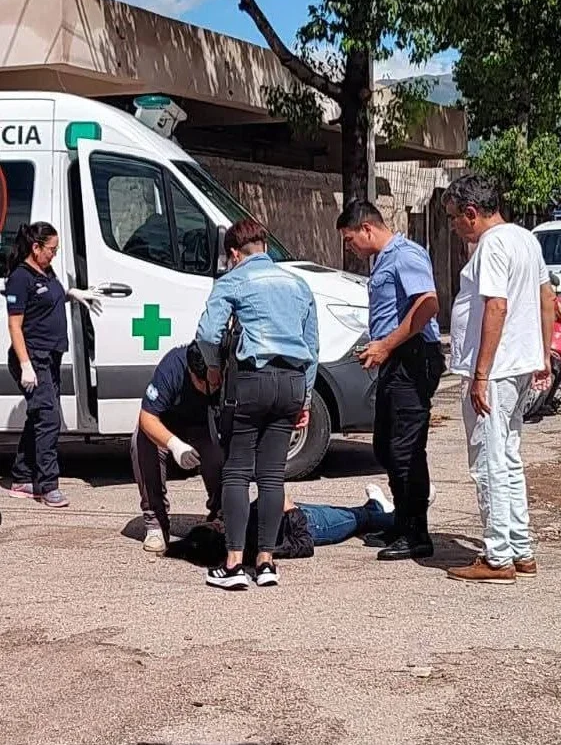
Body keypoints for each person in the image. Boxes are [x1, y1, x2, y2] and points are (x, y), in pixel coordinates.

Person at [442, 174, 555, 585]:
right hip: (521, 362)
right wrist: (543, 353)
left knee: (488, 461)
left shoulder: (491, 245)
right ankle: (520, 547)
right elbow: (547, 296)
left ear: (472, 213)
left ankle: (497, 555)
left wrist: (481, 374)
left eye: (455, 218)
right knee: (508, 456)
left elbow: (496, 307)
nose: (454, 226)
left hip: (498, 368)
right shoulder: (526, 238)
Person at [195, 218, 318, 590]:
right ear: (264, 247)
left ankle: (233, 564)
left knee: (236, 471)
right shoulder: (299, 284)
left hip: (253, 380)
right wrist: (306, 397)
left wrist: (214, 368)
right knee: (272, 475)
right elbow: (312, 348)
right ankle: (266, 562)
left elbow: (206, 332)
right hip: (292, 383)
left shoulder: (234, 280)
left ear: (234, 253)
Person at [336, 200, 444, 561]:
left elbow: (428, 304)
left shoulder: (406, 254)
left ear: (367, 228)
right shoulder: (383, 260)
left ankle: (417, 533)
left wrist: (387, 345)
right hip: (395, 359)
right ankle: (401, 520)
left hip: (413, 359)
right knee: (385, 445)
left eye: (351, 239)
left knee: (405, 450)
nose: (350, 247)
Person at [4, 222, 102, 507]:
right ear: (35, 248)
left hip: (50, 356)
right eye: (51, 249)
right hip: (32, 357)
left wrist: (73, 294)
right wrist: (25, 365)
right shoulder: (20, 278)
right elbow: (14, 325)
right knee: (49, 419)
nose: (54, 255)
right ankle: (48, 485)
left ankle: (22, 477)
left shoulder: (45, 271)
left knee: (39, 417)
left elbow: (50, 296)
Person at [168, 483, 429, 567]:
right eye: (216, 529)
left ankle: (383, 509)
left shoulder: (232, 529)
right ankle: (408, 514)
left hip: (293, 509)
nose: (218, 524)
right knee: (358, 520)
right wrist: (291, 510)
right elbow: (303, 546)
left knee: (355, 514)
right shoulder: (256, 546)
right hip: (312, 525)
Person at [131, 341, 223, 553]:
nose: (211, 386)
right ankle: (155, 522)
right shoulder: (173, 366)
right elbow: (147, 417)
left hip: (206, 427)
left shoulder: (224, 367)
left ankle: (221, 515)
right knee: (141, 441)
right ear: (191, 371)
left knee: (224, 447)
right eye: (203, 382)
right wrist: (175, 445)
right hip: (170, 427)